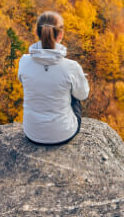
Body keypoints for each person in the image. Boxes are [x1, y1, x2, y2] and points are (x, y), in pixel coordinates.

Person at [18, 11, 89, 145]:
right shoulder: (71, 67)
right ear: (61, 35)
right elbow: (83, 95)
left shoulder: (24, 62)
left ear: (37, 33)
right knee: (75, 92)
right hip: (63, 134)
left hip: (31, 132)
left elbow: (23, 81)